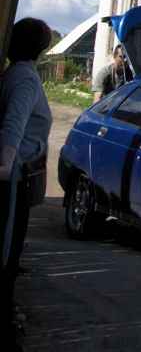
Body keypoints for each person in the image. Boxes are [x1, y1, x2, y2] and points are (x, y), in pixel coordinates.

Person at [0, 17, 54, 338]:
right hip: (13, 178)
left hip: (15, 174)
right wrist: (6, 164)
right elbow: (14, 124)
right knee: (8, 249)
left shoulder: (19, 74)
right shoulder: (25, 79)